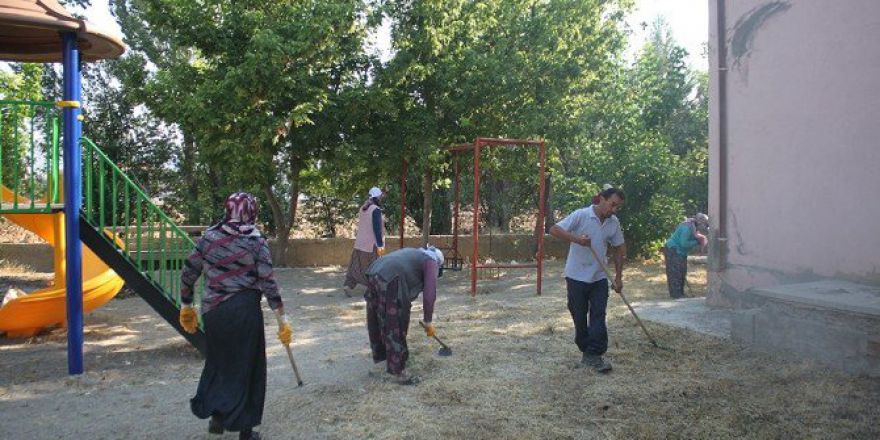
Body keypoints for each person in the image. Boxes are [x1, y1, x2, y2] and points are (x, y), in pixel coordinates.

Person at [178, 192, 291, 440]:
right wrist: (282, 318)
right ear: (252, 211)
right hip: (244, 312)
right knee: (248, 367)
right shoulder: (256, 240)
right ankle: (246, 431)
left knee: (220, 363)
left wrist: (186, 305)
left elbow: (188, 273)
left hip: (214, 313)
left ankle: (217, 417)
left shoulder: (209, 237)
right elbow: (268, 281)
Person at [549, 187, 626, 373]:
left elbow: (619, 248)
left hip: (599, 277)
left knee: (599, 314)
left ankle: (595, 355)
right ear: (601, 199)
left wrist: (618, 277)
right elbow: (554, 229)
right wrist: (577, 239)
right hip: (576, 277)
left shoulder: (613, 223)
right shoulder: (581, 215)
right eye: (612, 204)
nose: (614, 210)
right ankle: (585, 348)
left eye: (617, 207)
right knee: (579, 315)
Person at [363, 246, 442, 384]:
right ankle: (398, 372)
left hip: (374, 271)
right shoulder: (431, 261)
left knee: (377, 318)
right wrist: (428, 321)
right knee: (395, 323)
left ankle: (383, 358)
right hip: (391, 277)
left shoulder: (415, 254)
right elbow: (430, 294)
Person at [344, 186, 386, 297]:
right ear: (377, 197)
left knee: (355, 267)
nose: (381, 198)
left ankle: (348, 285)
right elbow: (376, 229)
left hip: (359, 244)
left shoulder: (363, 208)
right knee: (375, 267)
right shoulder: (375, 210)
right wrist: (380, 245)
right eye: (380, 196)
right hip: (371, 245)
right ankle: (375, 290)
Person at [662, 213, 709, 299]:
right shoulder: (687, 228)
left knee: (682, 272)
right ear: (700, 223)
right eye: (705, 225)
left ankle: (681, 294)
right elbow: (684, 243)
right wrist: (697, 242)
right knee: (675, 273)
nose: (705, 227)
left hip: (681, 252)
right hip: (673, 249)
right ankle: (676, 295)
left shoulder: (694, 228)